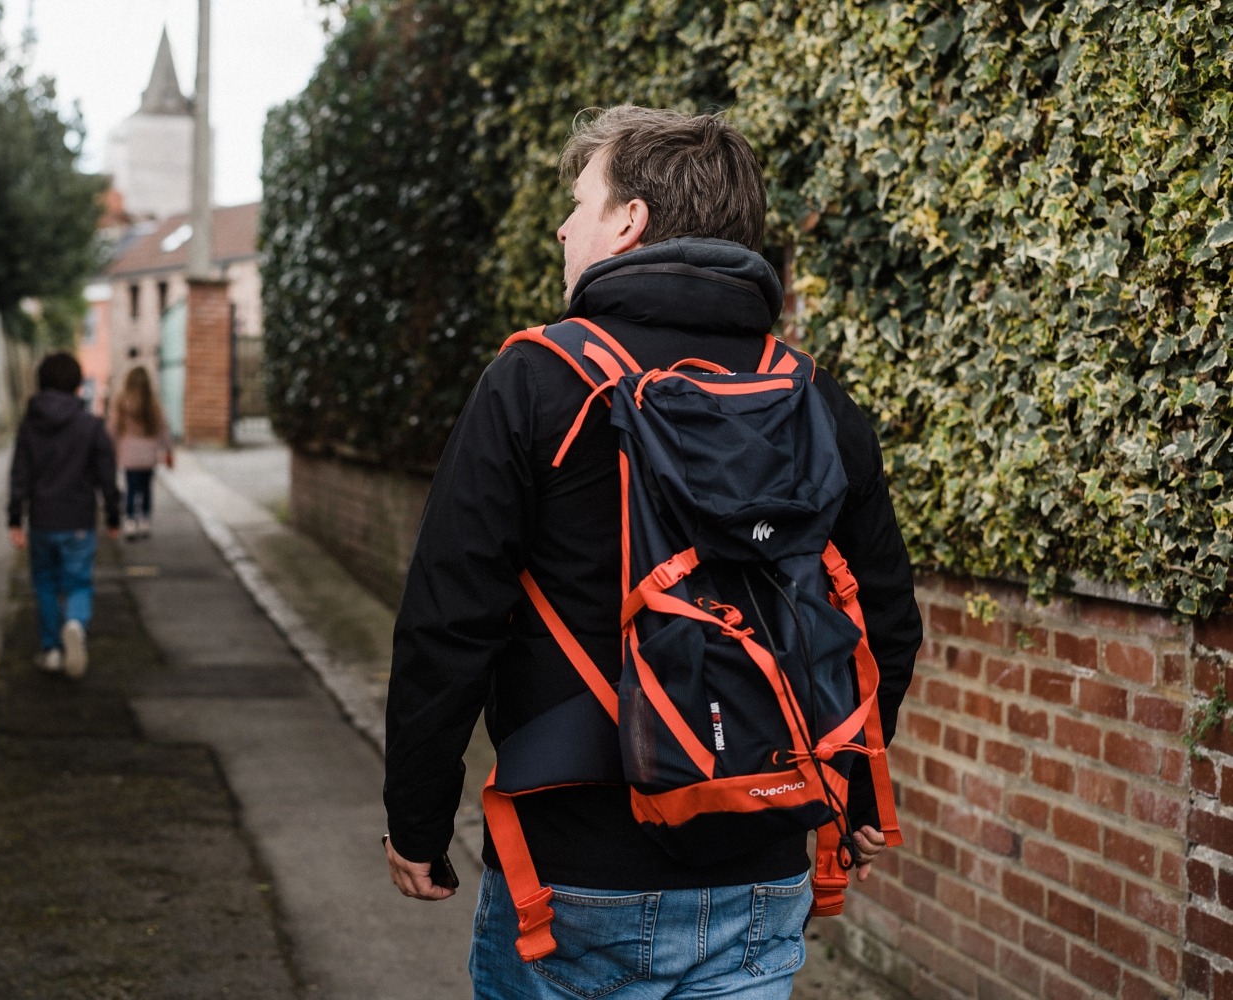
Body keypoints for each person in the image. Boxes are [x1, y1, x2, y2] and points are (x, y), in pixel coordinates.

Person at [382, 105, 923, 998]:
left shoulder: (536, 379)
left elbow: (449, 623)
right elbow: (881, 625)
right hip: (763, 860)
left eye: (581, 200)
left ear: (629, 221)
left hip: (578, 866)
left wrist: (416, 820)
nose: (564, 224)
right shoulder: (817, 400)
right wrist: (855, 789)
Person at [8, 352, 121, 679]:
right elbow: (106, 476)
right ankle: (75, 622)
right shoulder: (91, 426)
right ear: (76, 385)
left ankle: (52, 650)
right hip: (79, 522)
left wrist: (15, 519)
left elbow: (20, 476)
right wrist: (113, 516)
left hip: (42, 521)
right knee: (78, 582)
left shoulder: (30, 426)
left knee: (44, 584)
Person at [108, 365, 175, 539]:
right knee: (146, 489)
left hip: (129, 455)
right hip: (148, 455)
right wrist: (169, 450)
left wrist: (110, 449)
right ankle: (144, 521)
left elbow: (112, 429)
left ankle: (130, 522)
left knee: (131, 488)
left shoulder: (121, 402)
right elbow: (164, 429)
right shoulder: (153, 404)